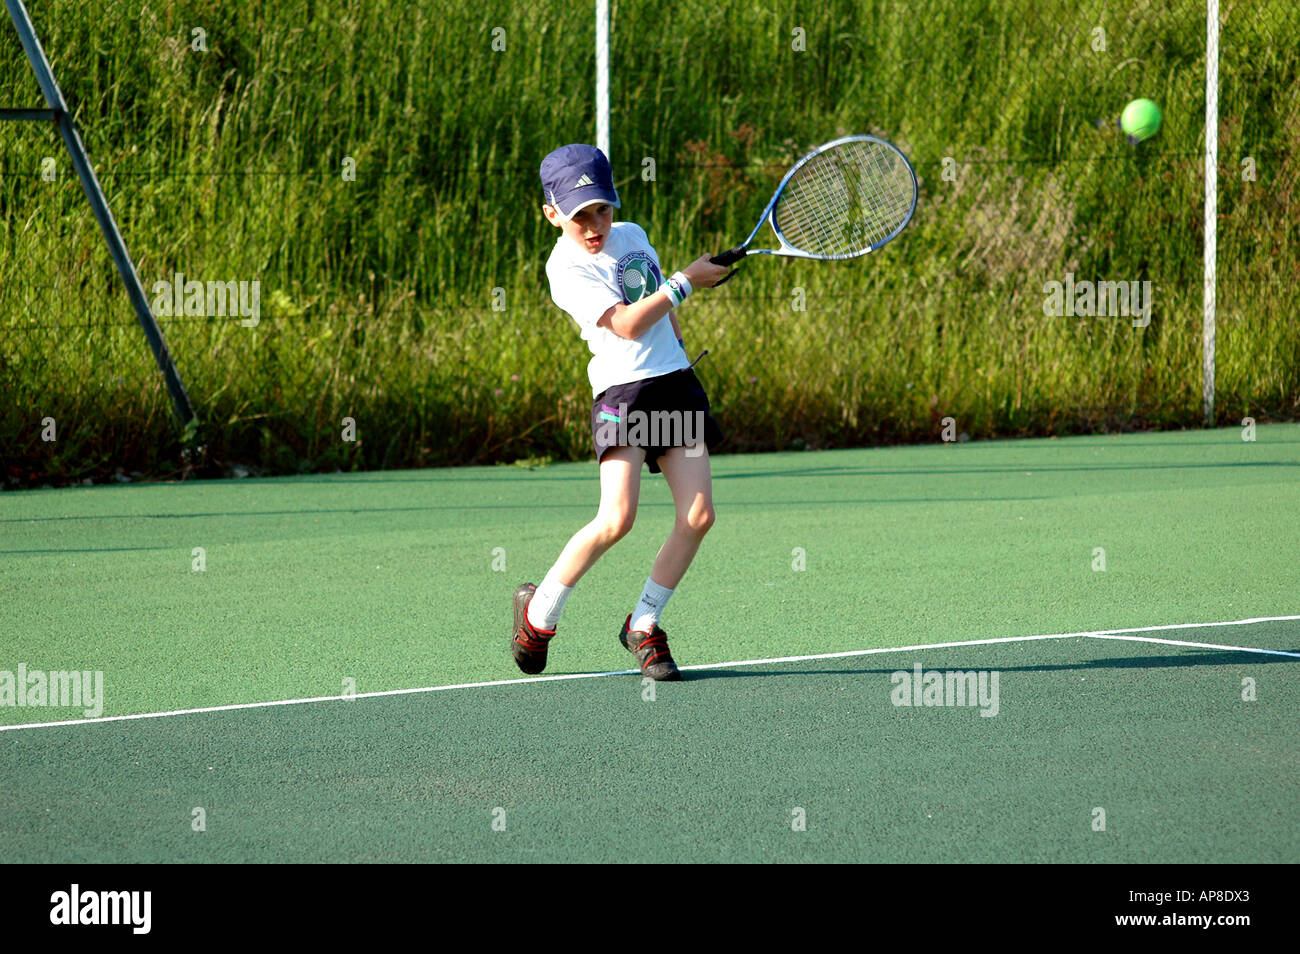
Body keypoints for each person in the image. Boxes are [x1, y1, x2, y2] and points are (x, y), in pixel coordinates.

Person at [512, 143, 732, 681]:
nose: (594, 225)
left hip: (674, 385)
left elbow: (658, 303)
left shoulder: (632, 235)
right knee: (617, 519)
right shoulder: (563, 268)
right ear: (552, 215)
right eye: (578, 215)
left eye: (601, 210)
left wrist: (680, 335)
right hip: (622, 397)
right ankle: (537, 616)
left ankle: (644, 623)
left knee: (699, 515)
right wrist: (688, 281)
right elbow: (628, 323)